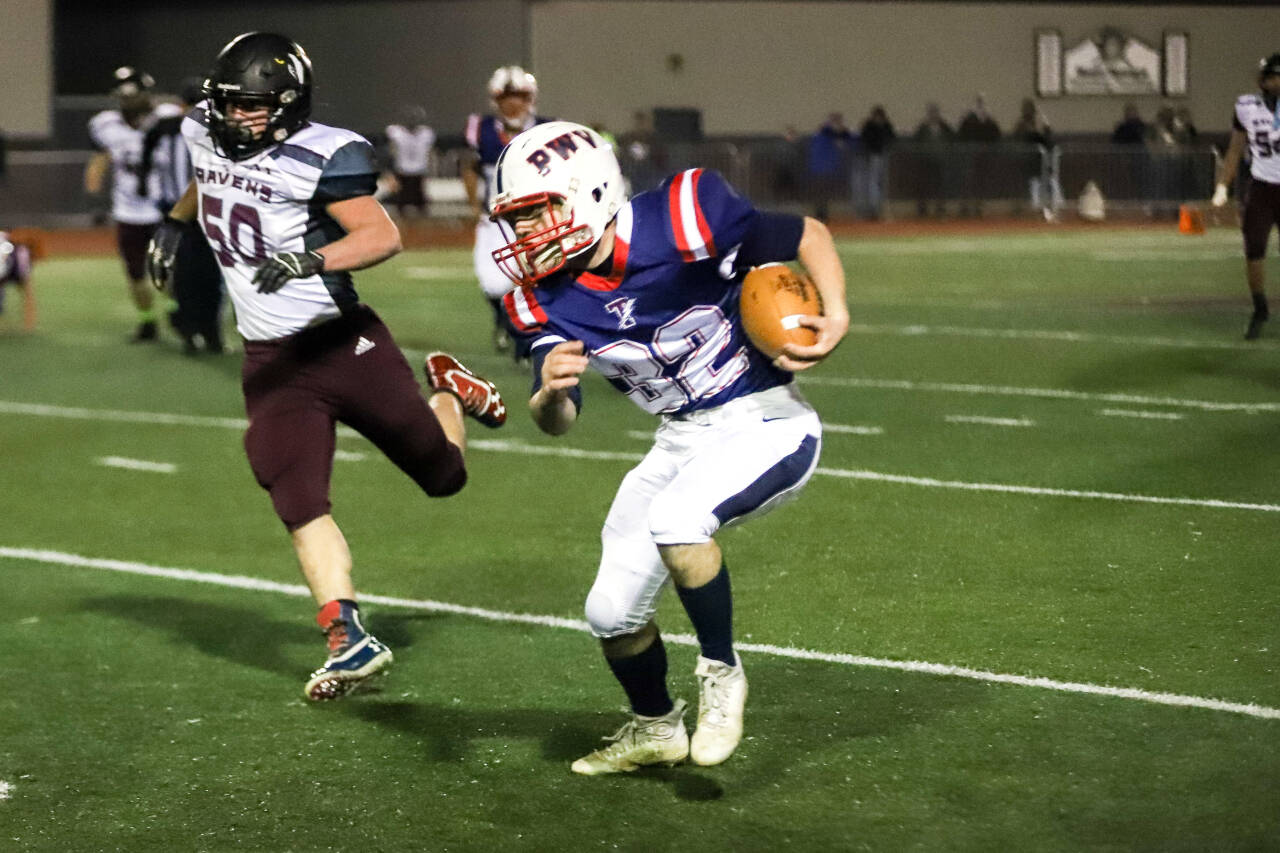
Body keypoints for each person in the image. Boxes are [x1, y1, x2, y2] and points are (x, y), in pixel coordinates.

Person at [146, 32, 508, 700]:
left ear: (286, 104)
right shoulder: (207, 130)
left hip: (344, 345)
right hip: (271, 360)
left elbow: (381, 235)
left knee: (444, 475)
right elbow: (211, 176)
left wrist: (311, 258)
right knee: (292, 489)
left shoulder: (319, 155)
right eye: (227, 105)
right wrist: (173, 222)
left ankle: (449, 389)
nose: (234, 118)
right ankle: (347, 634)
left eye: (250, 107)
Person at [489, 121, 848, 774]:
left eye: (543, 212)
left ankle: (722, 672)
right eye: (520, 219)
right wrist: (546, 395)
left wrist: (840, 310)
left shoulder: (687, 217)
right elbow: (560, 417)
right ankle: (656, 726)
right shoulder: (539, 297)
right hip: (681, 435)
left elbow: (808, 235)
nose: (530, 234)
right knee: (609, 610)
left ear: (594, 191)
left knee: (678, 520)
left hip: (767, 420)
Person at [85, 66, 181, 341]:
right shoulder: (106, 125)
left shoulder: (169, 118)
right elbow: (99, 161)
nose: (129, 102)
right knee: (135, 273)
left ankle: (178, 309)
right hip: (128, 210)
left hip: (165, 208)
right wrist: (93, 198)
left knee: (170, 268)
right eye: (124, 96)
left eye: (134, 95)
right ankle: (148, 321)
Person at [463, 66, 552, 355]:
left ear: (531, 99)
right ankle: (505, 320)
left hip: (535, 219)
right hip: (495, 219)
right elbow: (469, 167)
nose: (514, 103)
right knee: (492, 284)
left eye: (520, 96)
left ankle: (527, 336)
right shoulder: (481, 128)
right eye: (507, 96)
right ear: (496, 99)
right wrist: (474, 206)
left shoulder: (548, 129)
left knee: (538, 281)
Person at [139, 78, 225, 354]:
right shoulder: (205, 127)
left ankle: (197, 330)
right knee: (203, 274)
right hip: (196, 211)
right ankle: (201, 331)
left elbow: (146, 157)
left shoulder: (168, 128)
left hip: (187, 210)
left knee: (194, 274)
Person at [1212, 53, 1280, 340]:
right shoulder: (1247, 107)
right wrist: (1222, 187)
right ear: (1264, 80)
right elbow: (1235, 150)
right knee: (1254, 252)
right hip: (1262, 186)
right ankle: (1260, 307)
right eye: (1277, 77)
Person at [1011, 99, 1062, 221]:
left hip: (1042, 161)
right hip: (1028, 161)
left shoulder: (1038, 125)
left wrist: (1046, 128)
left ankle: (1053, 207)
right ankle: (1036, 208)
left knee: (1049, 182)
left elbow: (1047, 140)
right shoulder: (1022, 126)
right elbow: (1021, 139)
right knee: (1035, 184)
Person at [384, 105, 435, 220]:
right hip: (402, 171)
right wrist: (389, 173)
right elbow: (390, 153)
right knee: (401, 205)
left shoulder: (426, 133)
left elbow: (430, 153)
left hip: (419, 171)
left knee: (421, 206)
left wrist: (429, 171)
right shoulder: (395, 132)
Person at [806, 112, 855, 221]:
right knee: (820, 192)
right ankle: (820, 214)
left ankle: (822, 214)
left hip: (826, 169)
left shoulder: (835, 134)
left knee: (824, 193)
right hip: (821, 169)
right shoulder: (826, 134)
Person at [913, 102, 953, 217]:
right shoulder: (923, 127)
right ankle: (922, 208)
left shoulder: (944, 127)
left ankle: (940, 207)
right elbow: (917, 141)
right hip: (925, 160)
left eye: (935, 113)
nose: (934, 115)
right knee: (924, 184)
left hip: (940, 160)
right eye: (932, 113)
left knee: (939, 185)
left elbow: (952, 138)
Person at [857, 106, 895, 219]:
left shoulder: (887, 126)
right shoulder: (869, 127)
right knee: (872, 183)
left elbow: (892, 138)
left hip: (884, 156)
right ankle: (873, 209)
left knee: (883, 183)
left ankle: (881, 209)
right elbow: (865, 140)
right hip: (872, 157)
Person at [0, 229, 36, 331]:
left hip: (14, 270)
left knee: (27, 292)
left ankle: (29, 325)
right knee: (27, 292)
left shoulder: (15, 247)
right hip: (14, 270)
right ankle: (29, 325)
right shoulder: (14, 246)